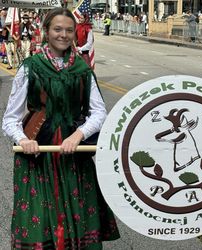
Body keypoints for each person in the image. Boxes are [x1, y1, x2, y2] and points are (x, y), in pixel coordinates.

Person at [2, 7, 119, 249]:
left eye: (69, 30)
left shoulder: (82, 70)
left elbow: (99, 112)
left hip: (73, 154)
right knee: (42, 219)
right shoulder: (30, 67)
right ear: (46, 31)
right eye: (57, 29)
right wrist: (24, 140)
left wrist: (78, 135)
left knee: (78, 218)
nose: (63, 35)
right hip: (38, 155)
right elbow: (10, 119)